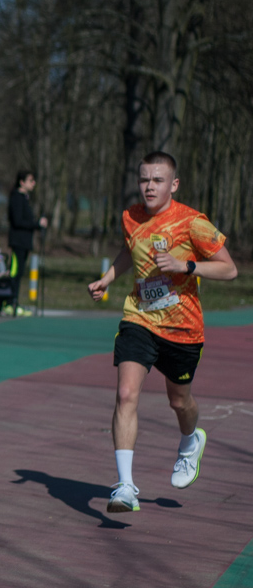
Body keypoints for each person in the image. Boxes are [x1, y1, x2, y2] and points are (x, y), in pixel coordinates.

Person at [86, 152, 238, 513]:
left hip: (183, 329)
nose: (149, 187)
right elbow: (130, 250)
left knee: (179, 402)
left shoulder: (192, 223)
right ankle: (124, 486)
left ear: (173, 184)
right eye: (144, 179)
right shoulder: (130, 216)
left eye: (157, 180)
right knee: (125, 394)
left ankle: (190, 441)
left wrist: (185, 265)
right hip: (139, 318)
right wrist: (109, 278)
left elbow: (229, 270)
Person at [8, 169, 47, 316]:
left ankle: (14, 301)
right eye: (30, 180)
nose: (33, 183)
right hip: (17, 242)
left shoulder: (24, 198)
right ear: (22, 182)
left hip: (24, 242)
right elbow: (18, 221)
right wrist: (37, 224)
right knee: (15, 273)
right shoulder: (16, 198)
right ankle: (11, 302)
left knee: (19, 273)